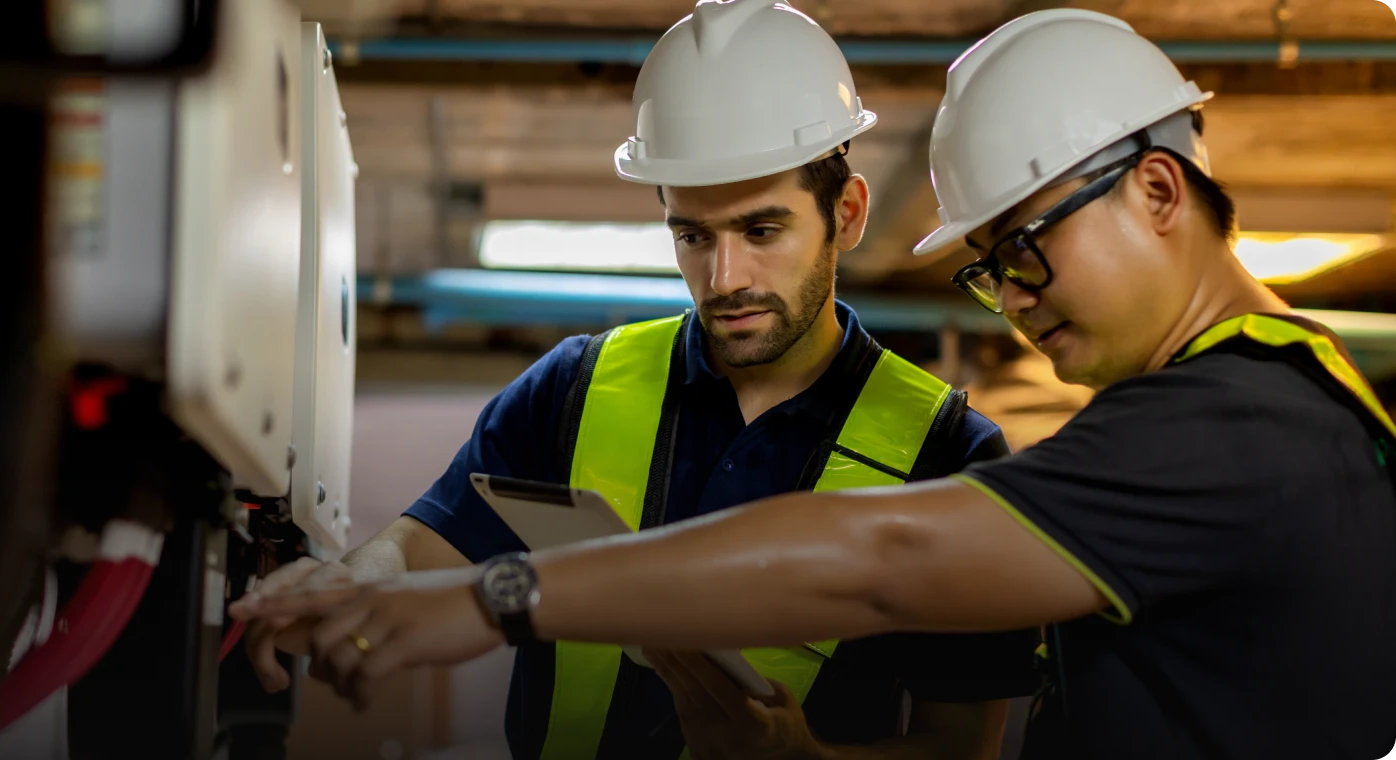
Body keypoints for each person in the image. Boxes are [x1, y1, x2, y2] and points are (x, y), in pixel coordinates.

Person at [234, 8, 1396, 760]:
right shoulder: (1263, 412)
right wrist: (358, 578)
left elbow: (880, 561)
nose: (1018, 297)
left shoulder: (1231, 426)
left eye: (1022, 249)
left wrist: (492, 600)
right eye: (989, 269)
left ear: (1154, 190)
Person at [234, 2, 1040, 758]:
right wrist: (347, 584)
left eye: (763, 230)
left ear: (851, 214)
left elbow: (962, 746)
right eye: (693, 234)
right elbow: (421, 547)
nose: (725, 278)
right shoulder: (573, 387)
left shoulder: (951, 454)